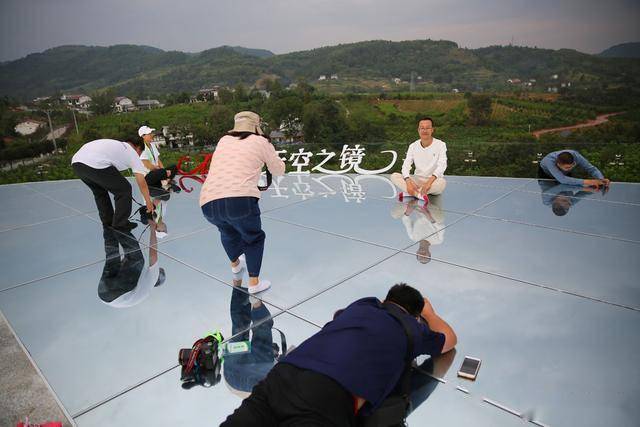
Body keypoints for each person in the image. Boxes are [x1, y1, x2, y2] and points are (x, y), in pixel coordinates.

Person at [221, 283, 457, 427]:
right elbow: (450, 340)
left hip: (282, 377)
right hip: (327, 397)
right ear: (414, 316)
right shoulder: (411, 328)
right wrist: (429, 313)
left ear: (386, 300)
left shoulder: (363, 305)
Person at [200, 111, 285, 294]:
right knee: (253, 238)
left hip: (208, 201)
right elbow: (278, 170)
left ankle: (236, 266)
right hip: (239, 199)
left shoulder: (224, 140)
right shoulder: (261, 141)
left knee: (227, 231)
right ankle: (254, 283)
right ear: (256, 126)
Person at [72, 137, 154, 231]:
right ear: (138, 148)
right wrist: (148, 202)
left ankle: (108, 221)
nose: (139, 156)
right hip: (95, 163)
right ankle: (120, 223)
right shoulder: (131, 151)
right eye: (140, 153)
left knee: (100, 192)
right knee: (124, 189)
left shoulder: (117, 146)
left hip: (77, 163)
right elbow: (141, 181)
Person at [391, 117, 447, 203]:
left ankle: (410, 193)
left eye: (427, 128)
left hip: (433, 181)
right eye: (422, 128)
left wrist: (428, 183)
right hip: (417, 180)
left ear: (432, 130)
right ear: (418, 130)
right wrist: (409, 182)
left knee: (442, 183)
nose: (425, 130)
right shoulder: (413, 146)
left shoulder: (441, 145)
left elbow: (442, 165)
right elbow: (406, 166)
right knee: (394, 176)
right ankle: (418, 194)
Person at [391, 198, 446, 264]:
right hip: (430, 212)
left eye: (420, 257)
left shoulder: (413, 237)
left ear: (417, 253)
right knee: (440, 219)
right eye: (425, 257)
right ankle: (420, 201)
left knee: (394, 215)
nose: (422, 255)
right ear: (429, 254)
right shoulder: (438, 241)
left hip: (416, 208)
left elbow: (406, 222)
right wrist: (426, 214)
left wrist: (408, 212)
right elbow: (441, 227)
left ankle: (414, 200)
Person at [137, 125, 180, 192]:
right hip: (148, 176)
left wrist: (164, 171)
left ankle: (165, 181)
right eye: (149, 134)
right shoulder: (141, 148)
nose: (152, 135)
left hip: (157, 172)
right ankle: (166, 181)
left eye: (151, 133)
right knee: (162, 171)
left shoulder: (152, 145)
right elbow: (148, 166)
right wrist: (164, 172)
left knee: (174, 167)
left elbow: (158, 160)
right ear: (143, 136)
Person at [538, 150, 610, 188]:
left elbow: (591, 169)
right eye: (567, 167)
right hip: (545, 174)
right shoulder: (549, 161)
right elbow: (563, 180)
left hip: (564, 174)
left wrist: (601, 179)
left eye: (572, 165)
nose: (570, 168)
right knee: (550, 190)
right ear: (558, 165)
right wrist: (590, 182)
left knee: (568, 192)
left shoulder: (577, 156)